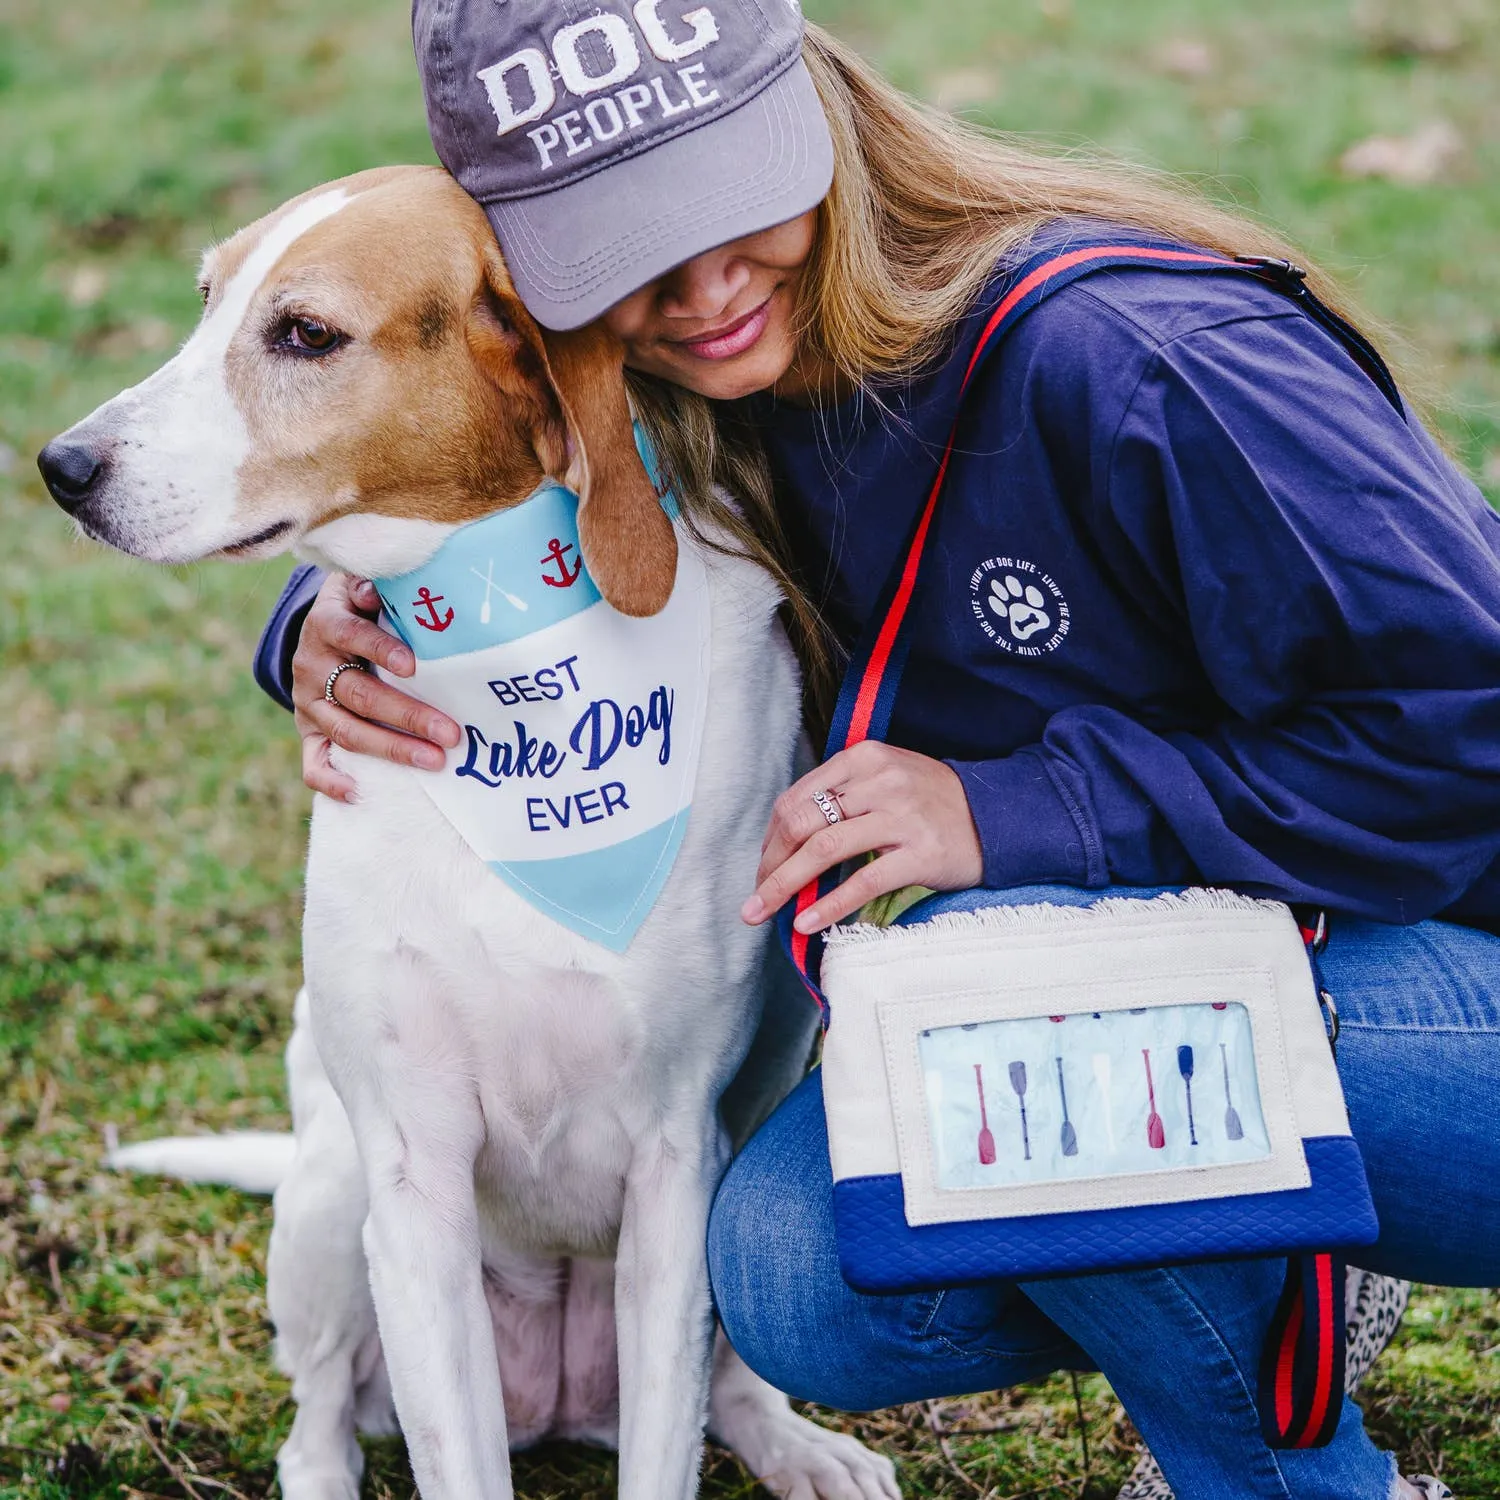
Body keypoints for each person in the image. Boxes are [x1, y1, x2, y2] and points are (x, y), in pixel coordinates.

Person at [254, 4, 1500, 1496]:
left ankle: (1290, 1474)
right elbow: (507, 473)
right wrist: (322, 622)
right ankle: (1254, 1230)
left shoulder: (1146, 359)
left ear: (818, 109)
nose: (706, 286)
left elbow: (1468, 729)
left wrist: (1019, 810)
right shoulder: (712, 391)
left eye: (731, 198)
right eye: (622, 247)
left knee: (1025, 995)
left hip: (1450, 988)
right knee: (795, 1272)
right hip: (1218, 961)